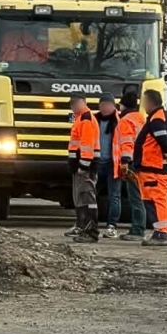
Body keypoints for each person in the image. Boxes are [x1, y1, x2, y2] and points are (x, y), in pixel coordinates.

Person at [134, 90, 167, 246]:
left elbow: (163, 140)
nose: (143, 105)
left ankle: (161, 233)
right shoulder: (159, 117)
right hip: (154, 167)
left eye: (144, 102)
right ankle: (163, 232)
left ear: (150, 102)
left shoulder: (157, 119)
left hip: (153, 168)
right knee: (156, 200)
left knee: (155, 201)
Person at [64, 93, 101, 243]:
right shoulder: (80, 118)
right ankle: (82, 227)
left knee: (87, 198)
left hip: (85, 166)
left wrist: (84, 165)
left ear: (83, 103)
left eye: (76, 103)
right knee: (81, 198)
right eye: (72, 104)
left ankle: (91, 231)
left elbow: (87, 145)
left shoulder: (86, 119)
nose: (73, 107)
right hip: (80, 166)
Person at [114, 91, 146, 241]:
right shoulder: (141, 118)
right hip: (144, 161)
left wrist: (125, 162)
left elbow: (127, 142)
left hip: (132, 163)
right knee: (141, 196)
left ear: (123, 105)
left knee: (135, 197)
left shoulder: (126, 120)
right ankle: (139, 227)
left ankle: (137, 230)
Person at [95, 93, 121, 238]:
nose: (105, 108)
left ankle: (112, 226)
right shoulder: (93, 120)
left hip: (113, 164)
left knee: (114, 196)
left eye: (108, 105)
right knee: (89, 195)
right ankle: (86, 223)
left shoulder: (119, 121)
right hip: (96, 163)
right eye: (103, 105)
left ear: (113, 106)